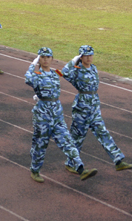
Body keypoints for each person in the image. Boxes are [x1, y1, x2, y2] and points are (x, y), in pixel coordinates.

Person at [25, 47, 97, 183]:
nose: (45, 60)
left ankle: (81, 169)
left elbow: (66, 72)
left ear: (52, 59)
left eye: (48, 57)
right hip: (43, 116)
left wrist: (73, 61)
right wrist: (32, 65)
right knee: (40, 145)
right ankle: (35, 170)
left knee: (68, 141)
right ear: (39, 59)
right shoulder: (36, 74)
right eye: (42, 57)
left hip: (57, 115)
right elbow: (28, 79)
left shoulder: (55, 74)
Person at [61, 45, 132, 173]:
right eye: (86, 55)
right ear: (81, 57)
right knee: (77, 137)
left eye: (91, 55)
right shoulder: (77, 70)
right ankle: (71, 163)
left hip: (94, 106)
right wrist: (73, 61)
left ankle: (118, 160)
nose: (89, 58)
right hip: (82, 107)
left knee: (103, 132)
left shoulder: (94, 68)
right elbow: (64, 73)